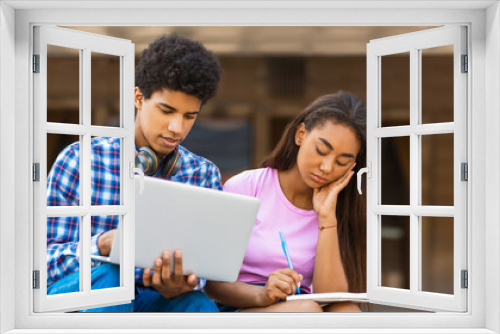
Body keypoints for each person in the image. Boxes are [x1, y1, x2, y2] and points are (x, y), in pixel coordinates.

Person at [46, 34, 223, 312]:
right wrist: (102, 246)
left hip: (150, 298)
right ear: (138, 98)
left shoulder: (202, 175)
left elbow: (202, 270)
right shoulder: (80, 160)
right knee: (113, 279)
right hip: (79, 298)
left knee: (197, 304)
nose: (177, 128)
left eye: (190, 116)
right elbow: (40, 263)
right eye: (167, 110)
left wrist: (181, 283)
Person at [205, 91, 367, 312]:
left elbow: (331, 298)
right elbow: (212, 284)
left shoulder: (339, 209)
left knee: (347, 311)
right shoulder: (246, 187)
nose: (327, 167)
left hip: (303, 306)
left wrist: (327, 217)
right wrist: (262, 294)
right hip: (244, 305)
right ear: (301, 134)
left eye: (342, 161)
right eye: (322, 150)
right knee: (306, 310)